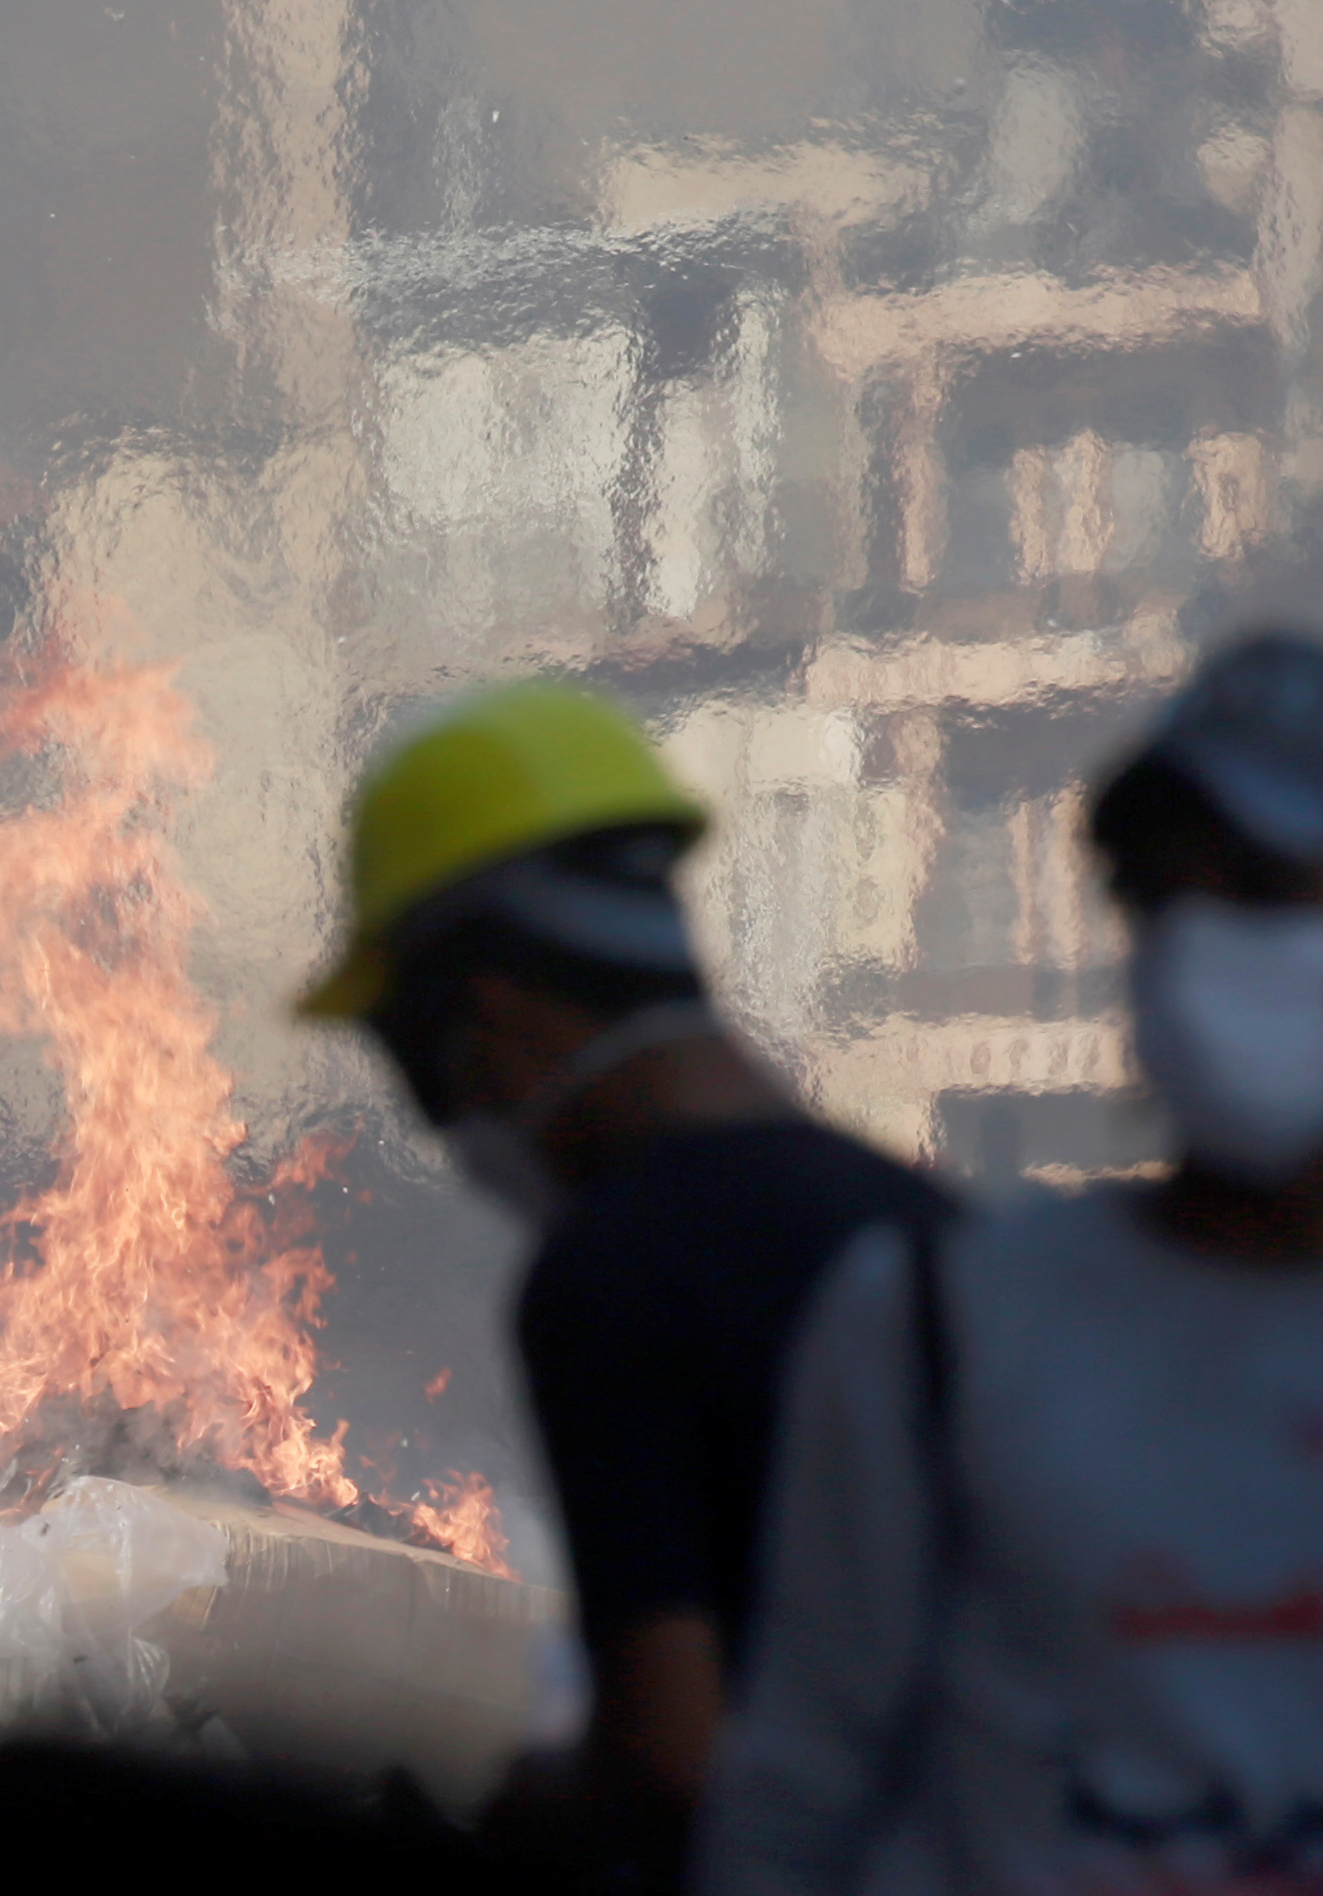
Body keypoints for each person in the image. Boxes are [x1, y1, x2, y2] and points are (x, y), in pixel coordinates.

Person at [705, 630, 1323, 1896]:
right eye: (1159, 894)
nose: (1193, 946)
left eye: (1264, 890)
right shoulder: (934, 1324)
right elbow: (792, 1797)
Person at [292, 682, 948, 1883]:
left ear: (487, 1017)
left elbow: (672, 1766)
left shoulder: (617, 1275)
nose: (449, 1120)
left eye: (418, 1062)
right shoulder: (920, 1218)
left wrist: (516, 1812)